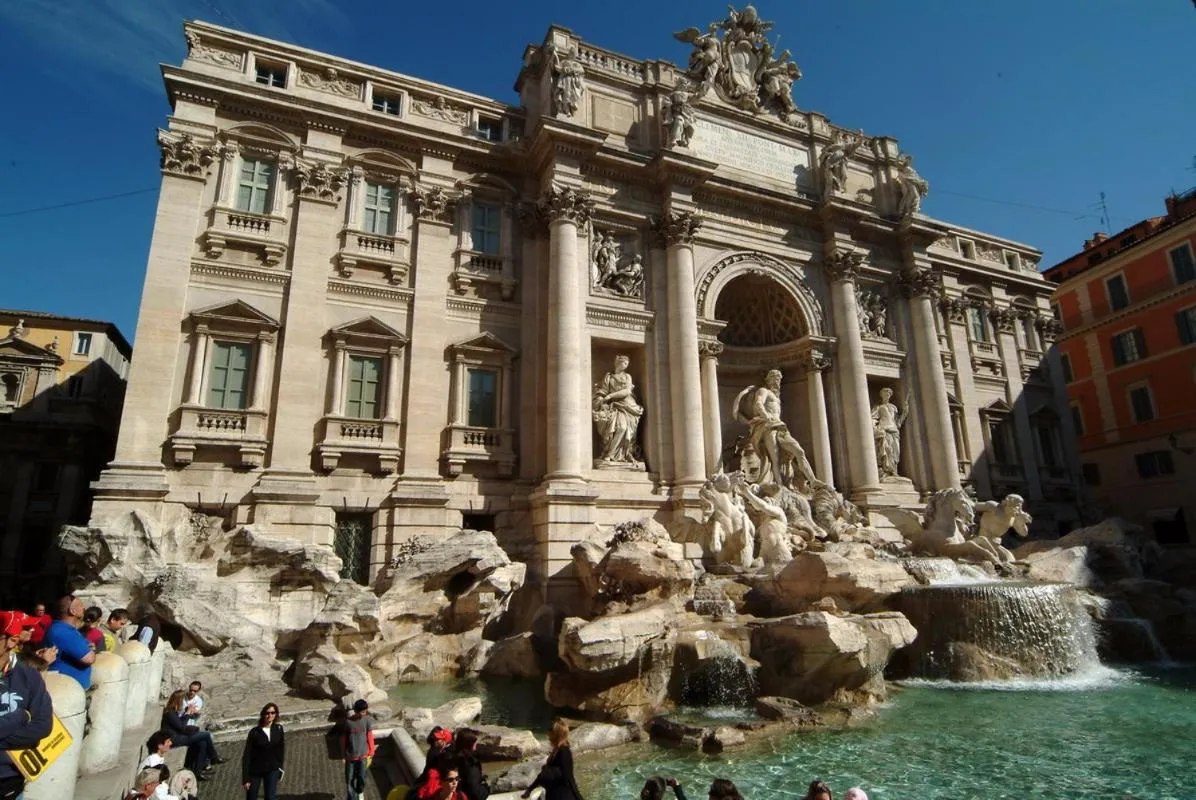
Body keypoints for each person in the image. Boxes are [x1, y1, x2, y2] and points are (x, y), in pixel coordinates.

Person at [0, 610, 53, 800]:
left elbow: (43, 726)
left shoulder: (29, 676)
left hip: (10, 780)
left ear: (11, 641)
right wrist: (21, 716)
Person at [162, 689, 223, 778]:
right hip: (175, 739)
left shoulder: (174, 711)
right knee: (206, 735)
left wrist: (188, 713)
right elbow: (181, 727)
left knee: (202, 743)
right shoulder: (170, 713)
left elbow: (180, 724)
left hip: (179, 735)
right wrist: (187, 713)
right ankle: (214, 757)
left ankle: (198, 771)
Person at [43, 595, 96, 689]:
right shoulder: (63, 632)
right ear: (72, 611)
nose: (84, 608)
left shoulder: (65, 629)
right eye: (80, 605)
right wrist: (91, 651)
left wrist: (89, 648)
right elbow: (89, 658)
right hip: (67, 689)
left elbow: (89, 645)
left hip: (71, 687)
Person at [524, 719, 582, 800]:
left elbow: (568, 777)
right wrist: (530, 789)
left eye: (550, 729)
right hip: (554, 794)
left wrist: (579, 797)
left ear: (556, 733)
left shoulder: (564, 752)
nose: (548, 732)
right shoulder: (556, 750)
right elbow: (543, 775)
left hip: (562, 795)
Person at [241, 702, 286, 800]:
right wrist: (245, 778)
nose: (270, 715)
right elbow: (247, 755)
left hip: (272, 769)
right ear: (263, 714)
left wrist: (280, 766)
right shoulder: (255, 732)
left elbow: (281, 750)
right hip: (256, 770)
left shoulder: (279, 729)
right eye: (267, 713)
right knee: (251, 797)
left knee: (270, 797)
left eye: (273, 713)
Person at [342, 698, 375, 800]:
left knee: (361, 777)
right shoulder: (348, 722)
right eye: (362, 711)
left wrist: (372, 750)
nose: (364, 713)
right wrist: (343, 753)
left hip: (363, 755)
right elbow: (344, 739)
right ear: (356, 711)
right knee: (350, 779)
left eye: (365, 711)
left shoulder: (367, 720)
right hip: (351, 756)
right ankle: (351, 797)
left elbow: (369, 735)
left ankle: (360, 791)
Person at [451, 728, 488, 800]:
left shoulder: (453, 757)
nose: (476, 743)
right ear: (469, 744)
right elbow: (475, 793)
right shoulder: (470, 763)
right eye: (474, 742)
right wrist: (486, 788)